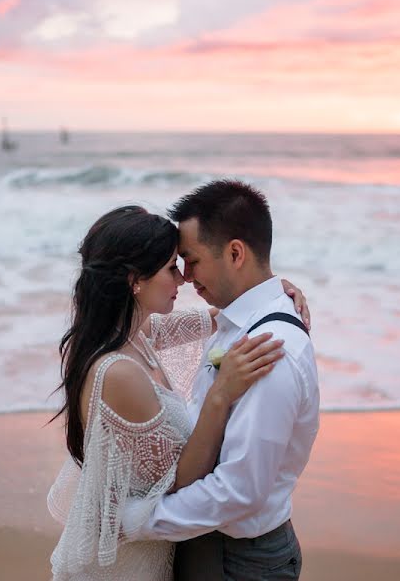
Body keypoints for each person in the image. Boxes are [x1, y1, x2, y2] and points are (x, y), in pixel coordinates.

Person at [47, 204, 310, 580]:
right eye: (172, 267)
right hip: (124, 568)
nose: (183, 280)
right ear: (134, 279)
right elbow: (178, 481)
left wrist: (273, 293)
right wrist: (221, 394)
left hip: (145, 552)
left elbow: (219, 317)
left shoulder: (132, 335)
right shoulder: (119, 372)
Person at [122, 180, 320, 580]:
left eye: (191, 260)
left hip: (240, 561)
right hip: (211, 543)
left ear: (235, 253)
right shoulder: (236, 320)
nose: (186, 277)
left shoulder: (269, 350)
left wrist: (134, 522)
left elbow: (237, 493)